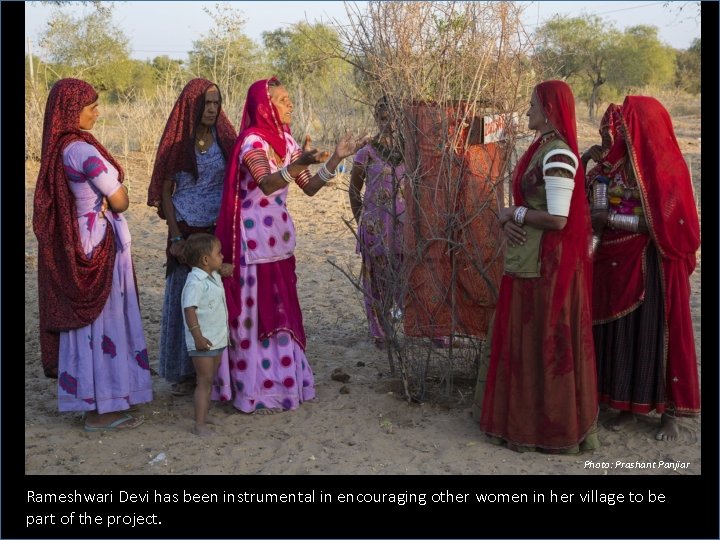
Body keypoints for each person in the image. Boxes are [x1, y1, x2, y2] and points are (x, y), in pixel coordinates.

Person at [214, 77, 370, 414]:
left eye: (289, 100)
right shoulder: (252, 143)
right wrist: (299, 162)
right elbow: (267, 183)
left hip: (279, 242)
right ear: (265, 105)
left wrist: (335, 158)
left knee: (282, 309)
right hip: (251, 246)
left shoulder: (285, 140)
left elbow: (310, 186)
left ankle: (284, 385)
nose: (290, 105)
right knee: (253, 315)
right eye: (283, 100)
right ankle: (253, 390)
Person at [477, 80, 599, 453]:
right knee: (529, 341)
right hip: (530, 260)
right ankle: (525, 422)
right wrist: (512, 220)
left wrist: (512, 213)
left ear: (548, 110)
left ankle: (547, 428)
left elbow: (559, 219)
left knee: (546, 341)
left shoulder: (558, 154)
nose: (527, 110)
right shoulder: (541, 148)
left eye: (532, 104)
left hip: (549, 266)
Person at [33, 78, 152, 431]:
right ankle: (103, 408)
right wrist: (116, 194)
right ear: (73, 111)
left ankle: (93, 399)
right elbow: (120, 200)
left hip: (81, 239)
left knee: (89, 324)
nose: (97, 113)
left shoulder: (61, 148)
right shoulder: (81, 151)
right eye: (91, 107)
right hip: (97, 241)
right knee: (104, 321)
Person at [582, 96, 700, 441]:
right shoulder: (613, 165)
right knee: (623, 334)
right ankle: (625, 406)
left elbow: (662, 224)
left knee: (656, 336)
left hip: (654, 266)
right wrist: (590, 162)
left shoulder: (666, 169)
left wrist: (613, 218)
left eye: (620, 131)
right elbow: (589, 194)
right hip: (614, 260)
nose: (614, 137)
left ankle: (669, 413)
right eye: (611, 132)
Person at [147, 78, 237, 396]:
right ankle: (185, 375)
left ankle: (216, 369)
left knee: (214, 300)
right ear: (193, 106)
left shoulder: (224, 138)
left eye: (216, 103)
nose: (212, 109)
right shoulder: (178, 144)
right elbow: (166, 192)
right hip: (185, 231)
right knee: (184, 300)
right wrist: (175, 239)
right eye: (206, 104)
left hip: (216, 230)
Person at [349, 97, 407, 348]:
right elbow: (353, 189)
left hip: (404, 228)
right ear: (377, 117)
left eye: (393, 116)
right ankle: (379, 332)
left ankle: (412, 328)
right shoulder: (367, 151)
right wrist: (362, 218)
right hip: (375, 229)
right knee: (376, 283)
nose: (389, 122)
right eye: (384, 117)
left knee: (405, 279)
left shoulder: (410, 151)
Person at [181, 233, 232, 436]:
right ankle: (199, 424)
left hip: (217, 338)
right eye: (218, 254)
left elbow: (222, 268)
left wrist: (222, 267)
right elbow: (189, 309)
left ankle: (204, 414)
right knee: (204, 380)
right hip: (203, 341)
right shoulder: (195, 282)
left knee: (209, 379)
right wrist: (197, 336)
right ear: (205, 260)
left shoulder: (213, 275)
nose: (222, 256)